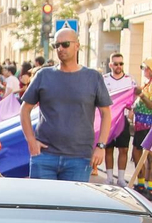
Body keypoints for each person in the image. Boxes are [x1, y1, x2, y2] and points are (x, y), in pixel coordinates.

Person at [20, 26, 112, 182]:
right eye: (57, 45)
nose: (60, 49)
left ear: (77, 46)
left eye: (65, 44)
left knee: (72, 205)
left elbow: (106, 113)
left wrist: (101, 146)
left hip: (79, 157)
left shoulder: (93, 77)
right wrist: (31, 141)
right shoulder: (44, 75)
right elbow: (25, 110)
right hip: (45, 156)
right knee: (42, 205)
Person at [130, 61, 152, 197]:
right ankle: (141, 185)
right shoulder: (150, 83)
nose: (143, 70)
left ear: (150, 69)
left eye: (144, 67)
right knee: (137, 154)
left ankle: (150, 189)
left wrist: (141, 95)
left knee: (150, 156)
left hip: (148, 125)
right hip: (142, 125)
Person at [101, 53, 136, 185]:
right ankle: (109, 177)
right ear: (110, 65)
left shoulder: (129, 80)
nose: (118, 66)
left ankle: (121, 178)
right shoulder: (104, 80)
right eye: (116, 64)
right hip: (109, 119)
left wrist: (132, 110)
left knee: (124, 149)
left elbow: (134, 99)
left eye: (121, 64)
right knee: (108, 149)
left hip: (123, 119)